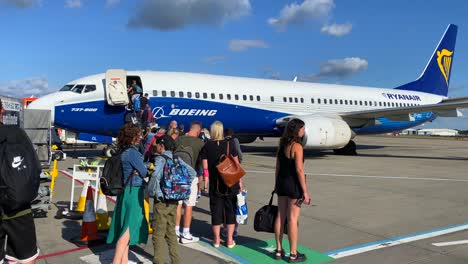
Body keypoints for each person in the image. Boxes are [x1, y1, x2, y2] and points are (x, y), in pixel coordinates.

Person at [107, 123, 149, 264]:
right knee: (128, 229)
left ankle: (123, 260)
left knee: (124, 225)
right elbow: (144, 172)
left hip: (124, 191)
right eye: (139, 135)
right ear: (133, 138)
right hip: (134, 191)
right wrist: (142, 169)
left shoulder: (122, 151)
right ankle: (116, 261)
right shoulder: (133, 153)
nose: (141, 137)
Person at [150, 135, 196, 264]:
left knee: (158, 233)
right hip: (174, 200)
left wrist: (152, 192)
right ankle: (176, 260)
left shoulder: (160, 159)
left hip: (162, 201)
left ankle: (158, 260)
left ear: (162, 146)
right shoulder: (177, 158)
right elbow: (192, 173)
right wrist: (180, 187)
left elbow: (155, 176)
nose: (156, 147)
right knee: (171, 232)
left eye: (157, 145)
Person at [0, 125, 39, 264]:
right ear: (2, 110)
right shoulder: (16, 133)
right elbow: (34, 165)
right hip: (19, 207)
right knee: (26, 256)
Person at [274, 119, 311, 263]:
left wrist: (276, 184)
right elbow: (299, 169)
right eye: (302, 129)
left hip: (281, 183)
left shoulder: (282, 144)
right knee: (292, 220)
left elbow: (277, 167)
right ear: (297, 130)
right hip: (293, 184)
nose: (303, 131)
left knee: (280, 216)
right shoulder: (297, 146)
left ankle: (278, 250)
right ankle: (293, 253)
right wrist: (305, 191)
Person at [201, 121, 243, 248]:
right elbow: (236, 165)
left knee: (216, 211)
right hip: (230, 182)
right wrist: (240, 181)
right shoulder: (230, 144)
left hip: (215, 184)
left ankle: (217, 240)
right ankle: (230, 240)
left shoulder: (207, 145)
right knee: (230, 211)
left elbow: (205, 167)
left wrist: (206, 181)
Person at [174, 121, 205, 243]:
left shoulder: (179, 140)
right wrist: (201, 181)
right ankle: (186, 233)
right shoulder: (200, 143)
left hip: (177, 174)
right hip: (191, 176)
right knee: (189, 205)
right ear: (198, 131)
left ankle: (175, 231)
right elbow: (201, 165)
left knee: (178, 203)